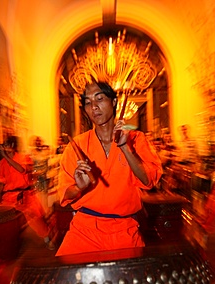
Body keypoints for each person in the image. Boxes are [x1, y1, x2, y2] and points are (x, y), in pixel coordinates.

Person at [56, 80, 162, 256]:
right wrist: (79, 187)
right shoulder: (77, 145)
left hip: (125, 230)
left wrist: (125, 148)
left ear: (113, 102)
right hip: (84, 230)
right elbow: (65, 195)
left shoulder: (137, 139)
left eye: (99, 99)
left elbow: (148, 180)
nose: (94, 107)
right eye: (88, 103)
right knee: (63, 279)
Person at [0, 135, 55, 250]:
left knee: (35, 219)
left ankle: (47, 239)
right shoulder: (2, 163)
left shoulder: (24, 158)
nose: (4, 148)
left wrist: (6, 157)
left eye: (6, 145)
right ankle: (10, 245)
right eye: (4, 146)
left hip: (25, 195)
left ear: (12, 146)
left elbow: (21, 170)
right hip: (9, 196)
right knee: (4, 221)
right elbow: (1, 182)